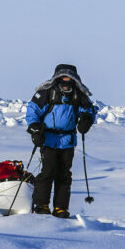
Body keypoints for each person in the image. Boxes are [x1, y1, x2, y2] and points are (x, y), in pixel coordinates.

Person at [25, 64, 97, 218]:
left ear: (74, 78)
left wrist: (87, 119)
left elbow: (89, 110)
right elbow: (33, 111)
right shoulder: (46, 92)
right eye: (63, 76)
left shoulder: (79, 94)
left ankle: (60, 208)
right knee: (48, 171)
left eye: (69, 77)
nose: (66, 79)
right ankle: (41, 205)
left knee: (64, 175)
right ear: (57, 77)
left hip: (68, 141)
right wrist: (35, 129)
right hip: (48, 139)